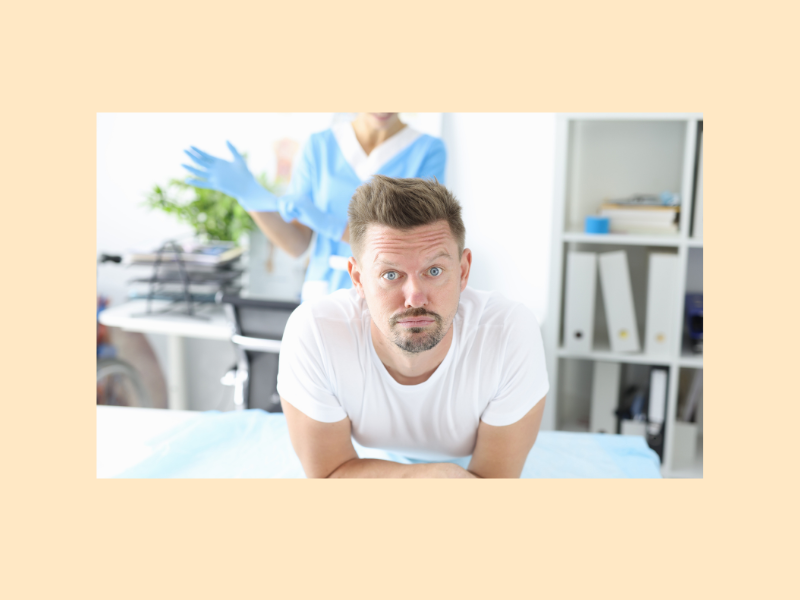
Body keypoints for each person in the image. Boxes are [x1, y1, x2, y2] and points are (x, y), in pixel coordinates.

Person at [276, 176, 549, 478]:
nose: (415, 298)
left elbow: (492, 487)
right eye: (391, 275)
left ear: (463, 271)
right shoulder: (315, 333)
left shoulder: (509, 333)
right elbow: (328, 476)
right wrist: (438, 478)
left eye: (434, 271)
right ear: (358, 279)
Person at [182, 113, 446, 301]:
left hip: (393, 295)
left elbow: (411, 241)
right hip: (324, 292)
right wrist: (250, 198)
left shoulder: (427, 150)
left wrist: (328, 224)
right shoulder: (320, 146)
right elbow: (297, 244)